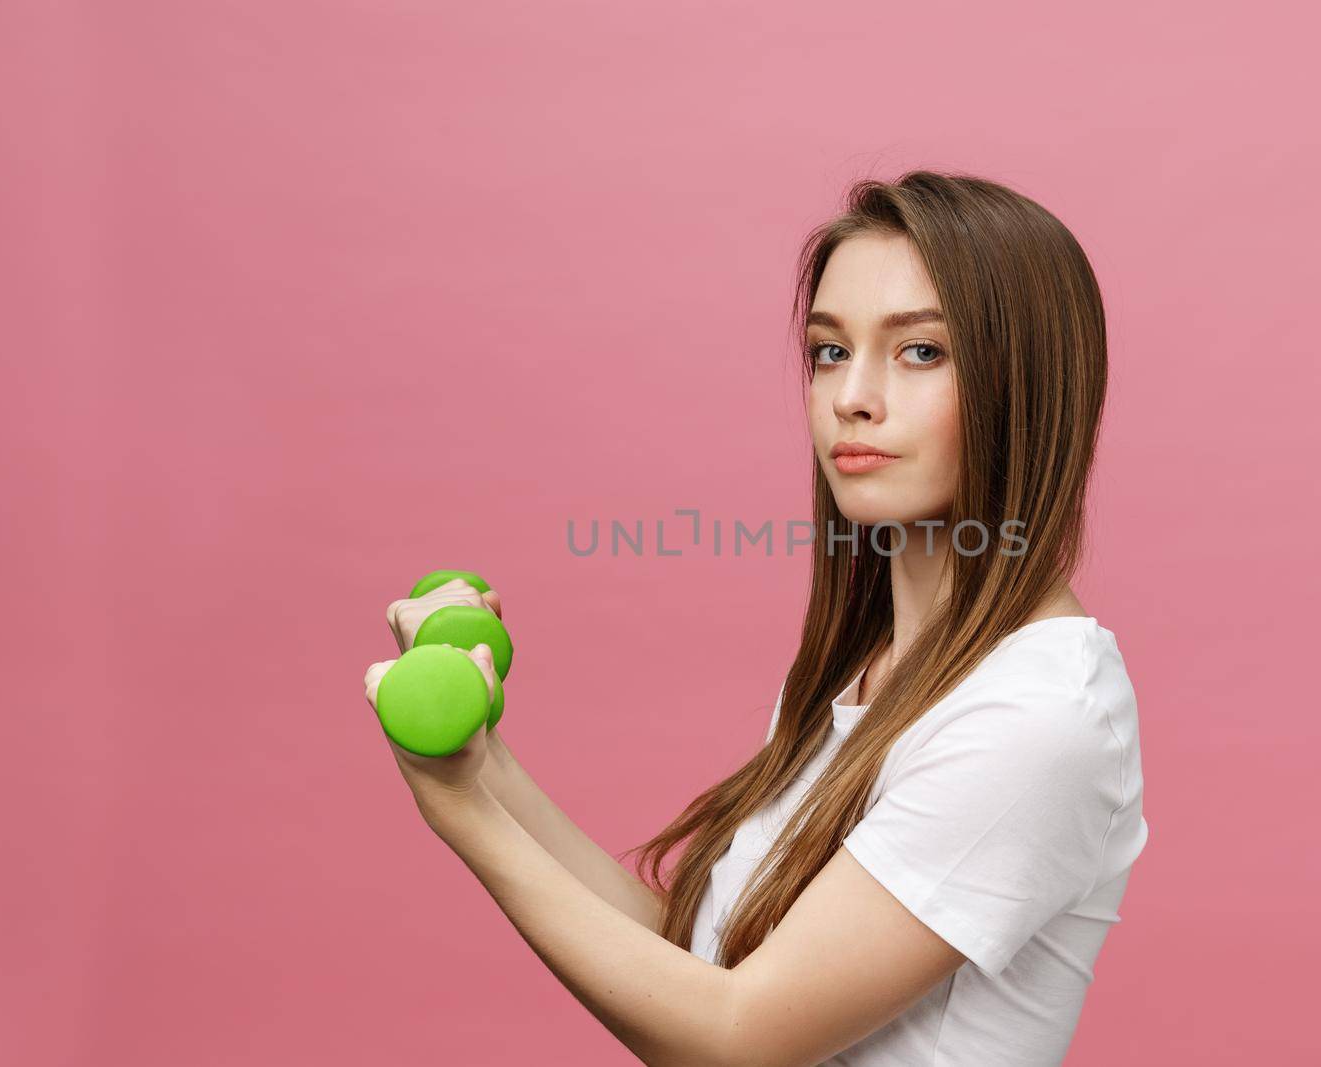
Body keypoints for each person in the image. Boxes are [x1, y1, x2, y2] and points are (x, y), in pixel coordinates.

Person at [363, 169, 1148, 1065]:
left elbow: (734, 1037)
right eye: (829, 350)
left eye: (922, 351)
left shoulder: (1038, 715)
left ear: (1030, 386)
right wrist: (478, 762)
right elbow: (698, 968)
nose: (853, 394)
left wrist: (460, 810)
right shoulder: (861, 677)